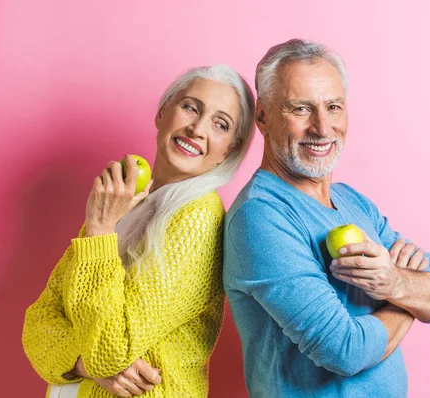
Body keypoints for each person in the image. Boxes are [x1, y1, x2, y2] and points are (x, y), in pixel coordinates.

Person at [223, 39, 430, 397]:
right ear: (263, 117)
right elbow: (344, 351)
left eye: (333, 107)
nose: (322, 127)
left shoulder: (353, 203)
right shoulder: (259, 217)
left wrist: (394, 282)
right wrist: (403, 298)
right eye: (301, 109)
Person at [22, 64, 255, 398]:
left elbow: (112, 347)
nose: (197, 129)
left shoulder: (198, 218)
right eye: (190, 107)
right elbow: (37, 324)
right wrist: (86, 364)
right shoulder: (121, 201)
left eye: (220, 124)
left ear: (228, 150)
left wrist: (100, 228)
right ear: (163, 113)